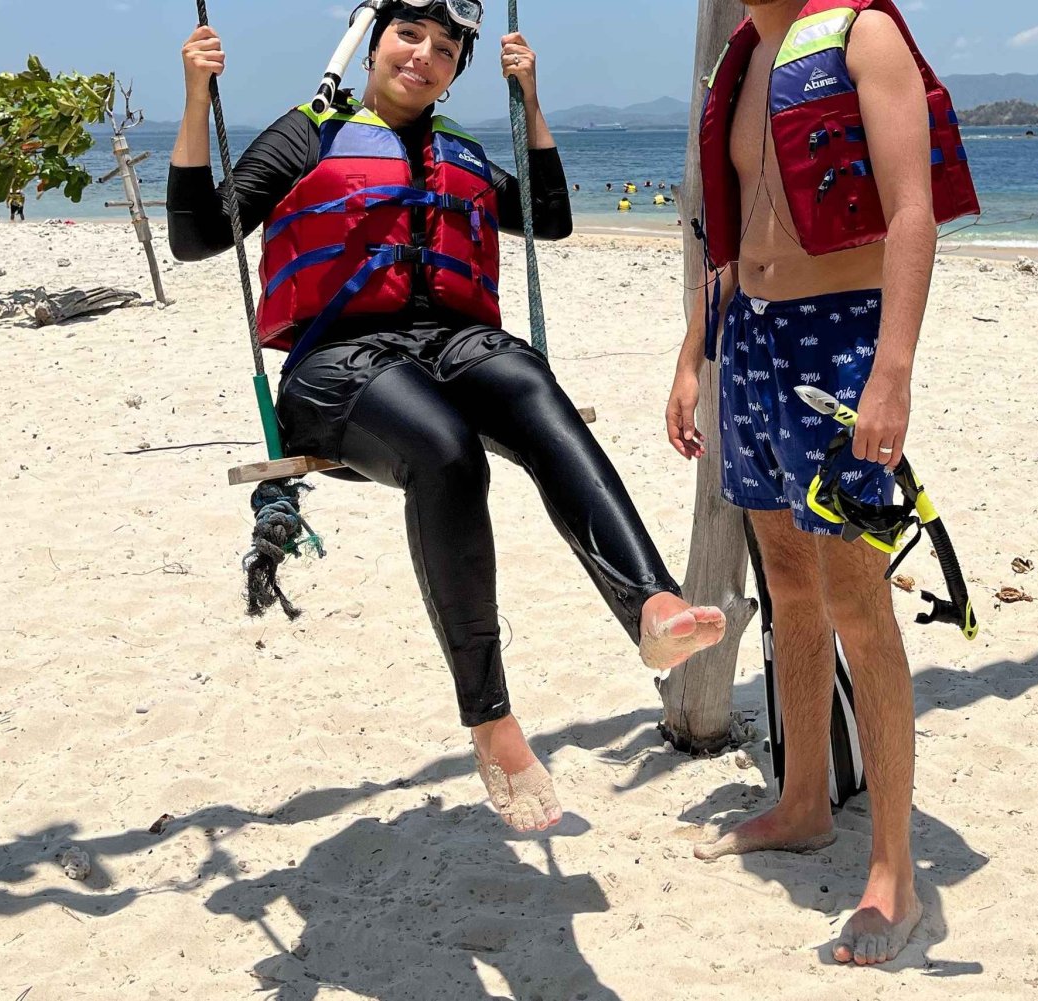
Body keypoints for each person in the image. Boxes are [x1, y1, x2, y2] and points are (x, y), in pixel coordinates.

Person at [167, 1, 725, 833]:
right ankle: (491, 717)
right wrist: (194, 98)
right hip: (337, 365)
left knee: (530, 381)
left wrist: (530, 99)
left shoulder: (458, 150)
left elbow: (551, 217)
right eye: (409, 36)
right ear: (374, 45)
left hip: (451, 346)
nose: (423, 56)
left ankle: (650, 605)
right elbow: (197, 235)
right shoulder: (308, 135)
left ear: (458, 70)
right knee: (448, 449)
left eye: (444, 49)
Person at [666, 0, 977, 967]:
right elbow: (732, 237)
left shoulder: (860, 36)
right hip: (751, 341)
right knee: (789, 587)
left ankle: (896, 870)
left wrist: (892, 372)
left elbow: (912, 210)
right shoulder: (742, 59)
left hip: (839, 338)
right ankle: (803, 800)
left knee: (857, 600)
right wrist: (692, 356)